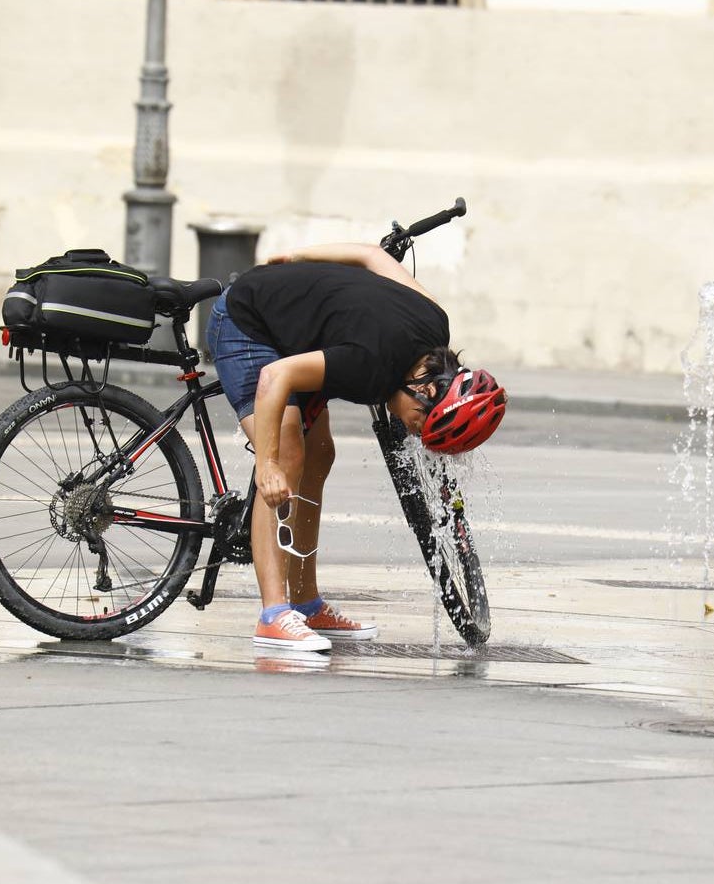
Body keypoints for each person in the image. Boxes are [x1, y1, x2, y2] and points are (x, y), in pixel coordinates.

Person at [205, 242, 506, 653]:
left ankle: (305, 601)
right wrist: (268, 464)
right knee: (289, 451)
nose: (413, 431)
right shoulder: (370, 362)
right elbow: (276, 377)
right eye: (421, 422)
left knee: (321, 453)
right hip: (247, 322)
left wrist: (300, 258)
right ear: (427, 387)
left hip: (291, 328)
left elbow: (371, 256)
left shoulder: (435, 322)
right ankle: (273, 614)